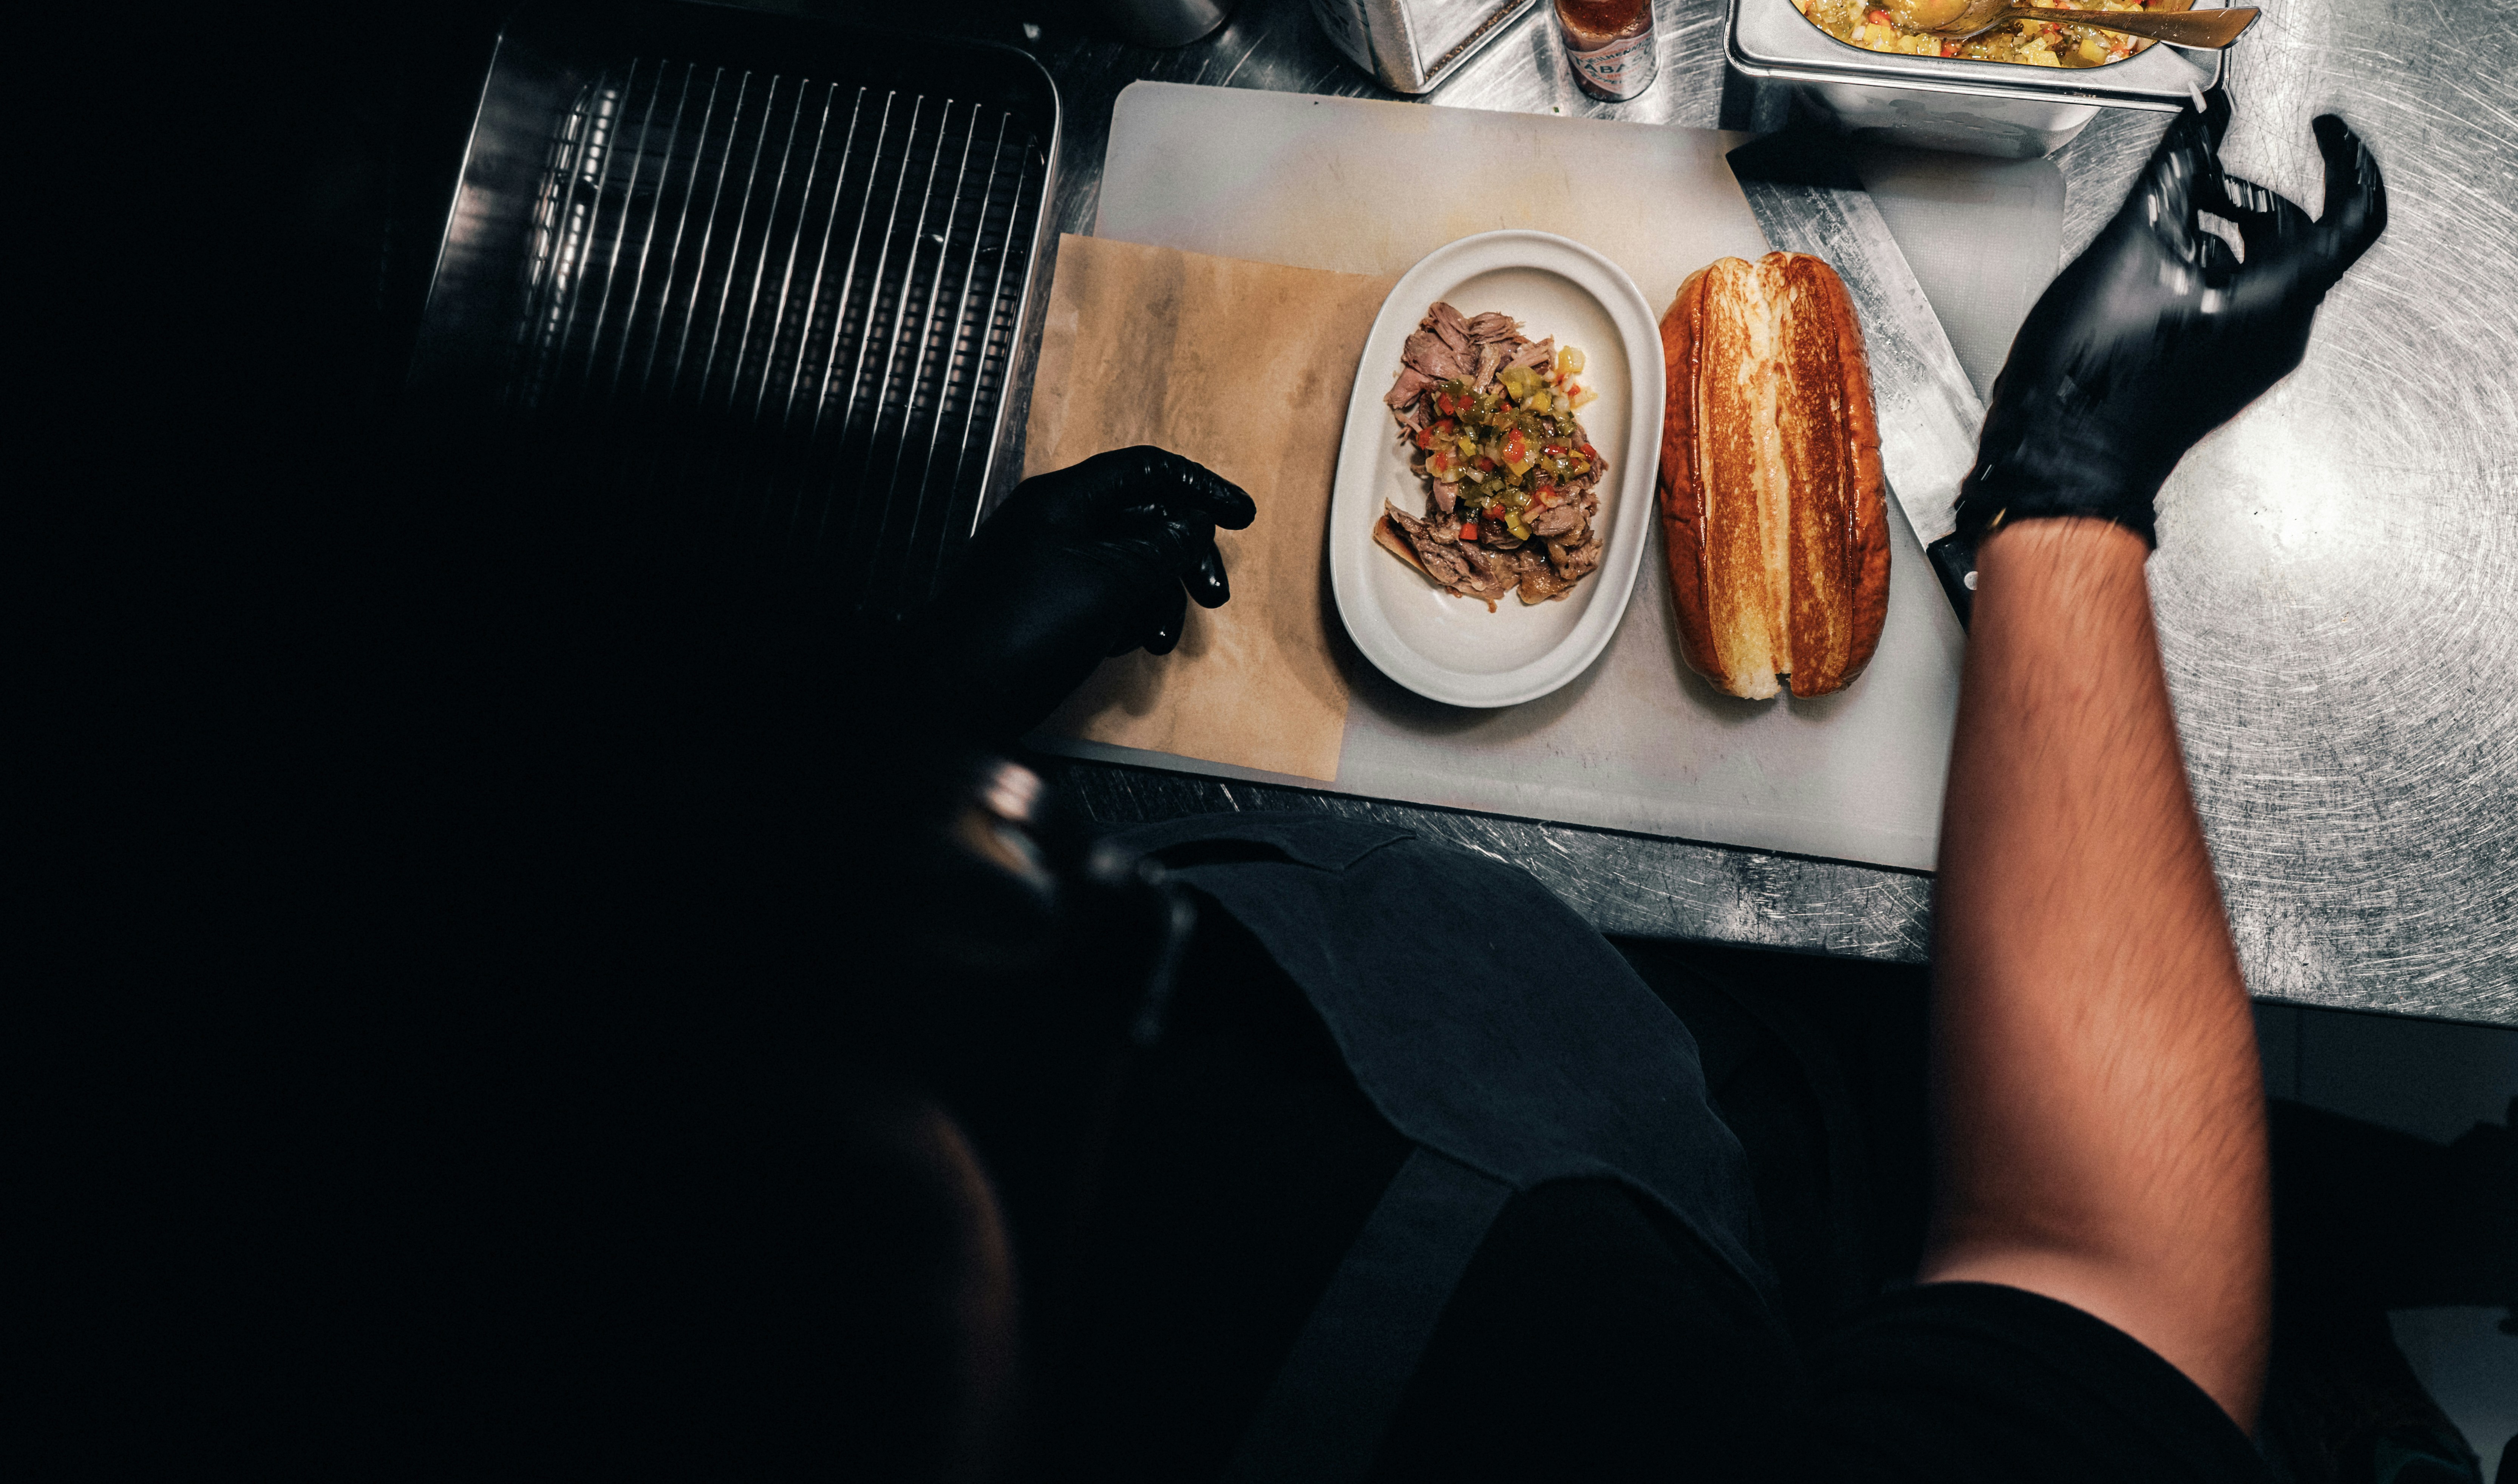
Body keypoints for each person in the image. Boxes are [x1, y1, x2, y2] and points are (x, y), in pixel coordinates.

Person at [831, 89, 2387, 1481]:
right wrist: (2068, 488)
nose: (1091, 894)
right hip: (1672, 1173)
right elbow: (2112, 1300)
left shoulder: (746, 1023)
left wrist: (931, 700)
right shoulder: (1582, 1410)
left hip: (1426, 963)